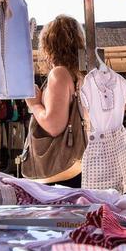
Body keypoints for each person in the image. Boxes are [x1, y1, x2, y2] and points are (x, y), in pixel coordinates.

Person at [24, 15, 85, 186]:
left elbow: (54, 126)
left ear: (49, 44)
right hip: (73, 167)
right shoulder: (77, 75)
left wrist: (34, 104)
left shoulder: (59, 74)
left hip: (59, 171)